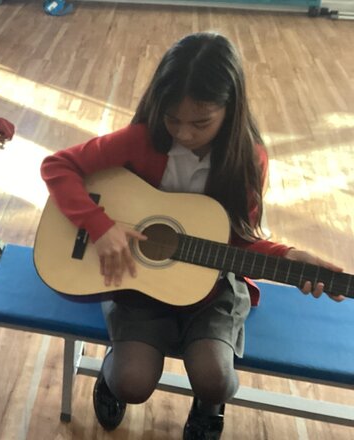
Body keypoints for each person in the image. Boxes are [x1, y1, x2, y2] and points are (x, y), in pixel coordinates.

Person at [40, 32, 346, 439]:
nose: (183, 133)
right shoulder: (143, 139)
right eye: (172, 118)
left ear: (230, 110)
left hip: (211, 287)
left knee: (216, 379)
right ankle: (111, 371)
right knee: (131, 383)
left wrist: (288, 256)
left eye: (200, 122)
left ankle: (207, 404)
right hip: (136, 282)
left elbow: (237, 240)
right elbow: (58, 166)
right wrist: (101, 226)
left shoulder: (247, 161)